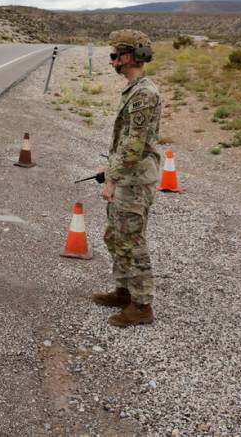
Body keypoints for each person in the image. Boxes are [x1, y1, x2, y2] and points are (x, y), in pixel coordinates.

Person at [93, 29, 162, 327]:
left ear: (130, 57)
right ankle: (124, 291)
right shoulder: (135, 90)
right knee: (116, 236)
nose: (111, 63)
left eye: (114, 56)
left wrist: (112, 180)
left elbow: (133, 147)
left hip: (133, 181)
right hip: (126, 176)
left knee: (131, 240)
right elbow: (125, 143)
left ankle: (142, 305)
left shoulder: (144, 94)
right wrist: (109, 170)